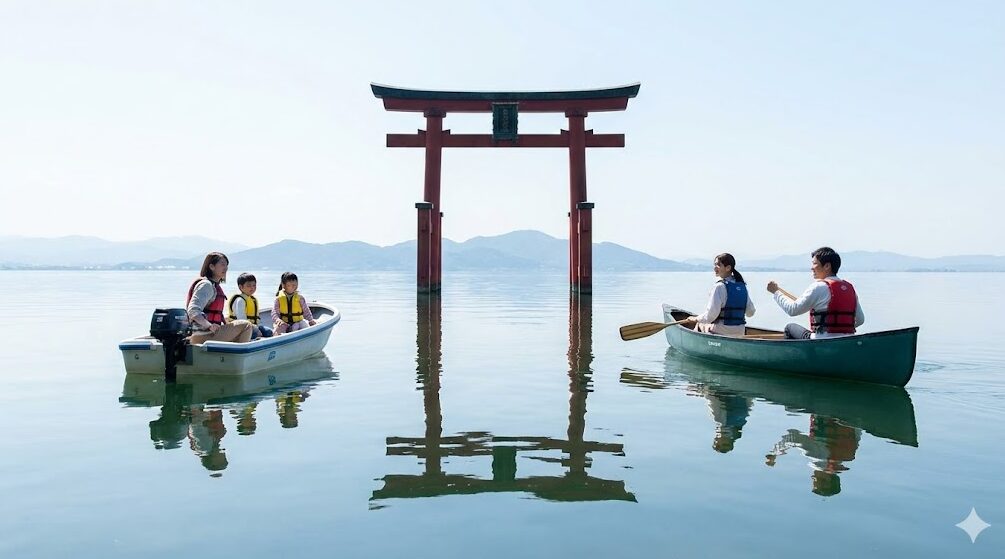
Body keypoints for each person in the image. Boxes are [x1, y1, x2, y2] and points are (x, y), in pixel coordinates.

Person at [767, 247, 864, 339]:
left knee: (790, 327)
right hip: (847, 340)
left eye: (814, 263)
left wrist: (776, 292)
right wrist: (841, 329)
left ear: (827, 266)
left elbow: (792, 310)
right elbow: (860, 320)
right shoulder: (850, 288)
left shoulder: (818, 287)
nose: (812, 268)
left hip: (820, 340)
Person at [681, 253, 755, 337]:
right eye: (715, 265)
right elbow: (751, 313)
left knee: (699, 324)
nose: (715, 268)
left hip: (721, 331)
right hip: (740, 332)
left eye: (718, 265)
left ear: (728, 268)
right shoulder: (742, 286)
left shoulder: (719, 287)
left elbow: (710, 317)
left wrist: (695, 319)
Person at [186, 252, 253, 345]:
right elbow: (193, 310)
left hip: (207, 333)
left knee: (239, 327)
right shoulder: (206, 285)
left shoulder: (213, 285)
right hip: (203, 335)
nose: (226, 268)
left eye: (226, 265)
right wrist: (209, 326)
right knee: (246, 325)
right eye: (222, 264)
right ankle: (237, 356)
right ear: (212, 267)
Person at [227, 273, 273, 340]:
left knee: (269, 332)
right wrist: (256, 330)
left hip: (253, 326)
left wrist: (256, 328)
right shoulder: (240, 300)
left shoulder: (252, 299)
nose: (252, 287)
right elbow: (242, 320)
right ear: (241, 287)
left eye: (254, 285)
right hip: (241, 328)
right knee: (255, 333)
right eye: (249, 285)